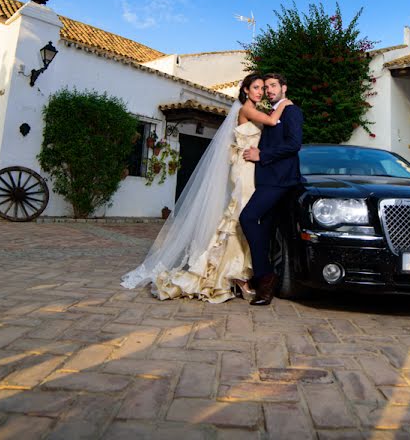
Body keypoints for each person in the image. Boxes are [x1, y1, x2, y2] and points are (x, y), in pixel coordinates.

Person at [120, 73, 291, 303]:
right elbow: (271, 122)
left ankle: (240, 272)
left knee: (244, 220)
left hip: (253, 169)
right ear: (246, 90)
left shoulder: (255, 110)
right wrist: (285, 104)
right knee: (240, 217)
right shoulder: (246, 109)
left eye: (262, 88)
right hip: (244, 170)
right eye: (256, 88)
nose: (260, 92)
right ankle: (236, 274)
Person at [239, 73, 304, 306]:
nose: (268, 90)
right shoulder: (270, 113)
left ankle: (264, 276)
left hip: (281, 180)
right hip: (265, 178)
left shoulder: (291, 111)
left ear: (284, 88)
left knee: (247, 217)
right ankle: (265, 286)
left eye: (273, 86)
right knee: (264, 229)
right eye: (265, 87)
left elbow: (294, 144)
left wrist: (262, 155)